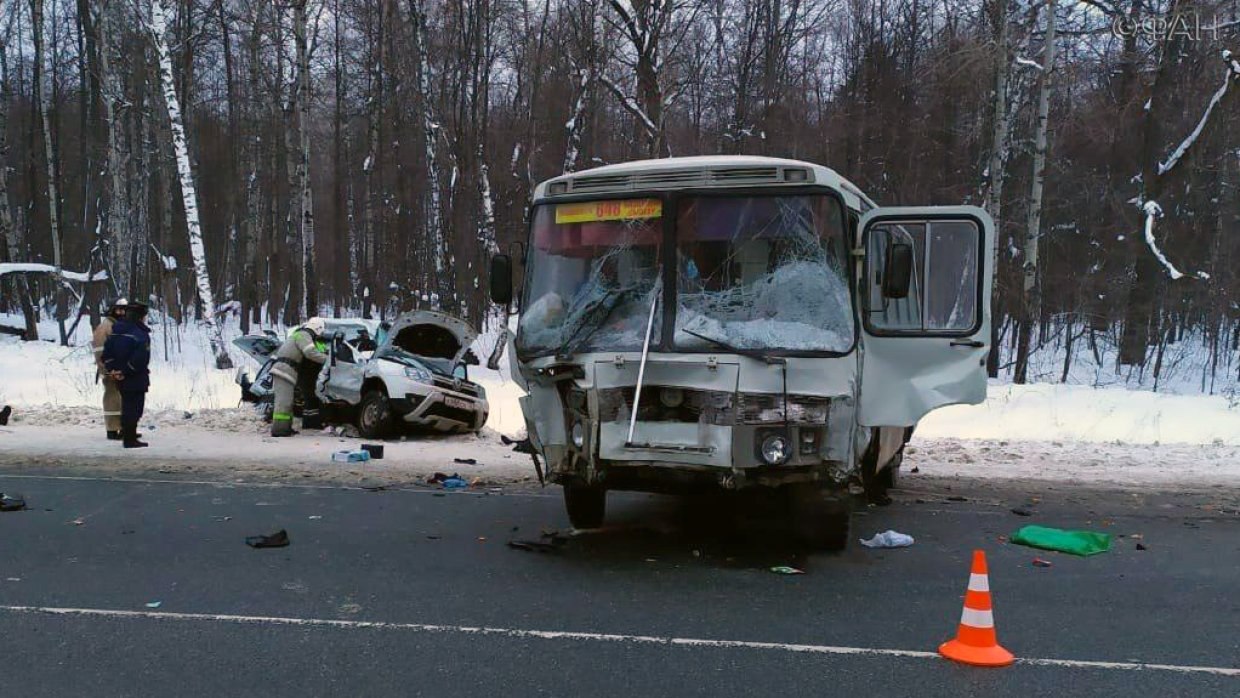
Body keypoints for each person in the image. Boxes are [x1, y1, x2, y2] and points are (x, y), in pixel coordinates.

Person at [102, 301, 152, 449]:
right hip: (135, 376)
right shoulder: (140, 334)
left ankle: (128, 433)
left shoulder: (116, 330)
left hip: (120, 376)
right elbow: (141, 358)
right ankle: (129, 438)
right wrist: (126, 371)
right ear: (140, 316)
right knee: (135, 407)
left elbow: (107, 353)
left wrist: (113, 370)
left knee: (127, 405)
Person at [270, 317, 329, 437]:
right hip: (284, 371)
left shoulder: (299, 334)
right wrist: (328, 359)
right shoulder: (304, 335)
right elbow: (310, 353)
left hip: (285, 370)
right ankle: (279, 430)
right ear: (317, 328)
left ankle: (285, 428)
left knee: (287, 401)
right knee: (284, 402)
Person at [93, 298, 130, 440]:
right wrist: (109, 369)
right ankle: (112, 430)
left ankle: (122, 428)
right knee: (113, 399)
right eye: (119, 309)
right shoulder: (105, 327)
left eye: (124, 310)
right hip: (112, 371)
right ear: (112, 310)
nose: (122, 312)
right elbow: (100, 350)